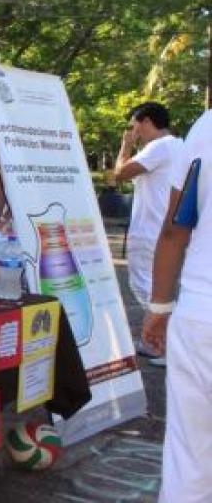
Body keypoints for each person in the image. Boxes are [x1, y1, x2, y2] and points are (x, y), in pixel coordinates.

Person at [142, 108, 211, 502]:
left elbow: (174, 229)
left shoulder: (205, 127)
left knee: (190, 458)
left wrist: (161, 306)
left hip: (201, 313)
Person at [113, 102, 183, 365]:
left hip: (149, 230)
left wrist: (125, 145)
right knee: (160, 289)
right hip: (165, 230)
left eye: (134, 125)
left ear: (146, 121)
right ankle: (155, 343)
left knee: (144, 286)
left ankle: (165, 345)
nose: (133, 131)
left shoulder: (158, 147)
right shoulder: (179, 145)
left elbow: (119, 174)